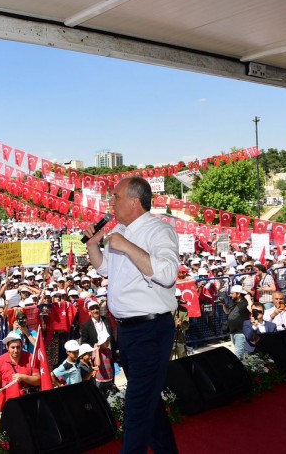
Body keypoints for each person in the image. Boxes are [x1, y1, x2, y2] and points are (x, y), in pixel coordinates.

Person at [86, 177, 179, 454]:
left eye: (116, 197)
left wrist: (126, 245)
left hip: (151, 330)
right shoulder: (120, 230)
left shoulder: (158, 231)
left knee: (136, 407)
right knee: (148, 402)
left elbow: (167, 273)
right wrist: (93, 244)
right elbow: (105, 269)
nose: (111, 203)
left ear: (135, 202)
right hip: (126, 331)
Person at [0, 332, 39, 410]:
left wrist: (23, 377)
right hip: (9, 404)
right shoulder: (0, 360)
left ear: (22, 346)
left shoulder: (30, 357)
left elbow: (38, 380)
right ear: (7, 347)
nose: (16, 350)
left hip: (28, 401)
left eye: (18, 347)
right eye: (13, 347)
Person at [223, 285, 250, 358]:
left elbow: (251, 309)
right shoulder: (232, 302)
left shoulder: (245, 303)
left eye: (232, 293)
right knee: (243, 352)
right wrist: (223, 304)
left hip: (241, 332)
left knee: (237, 353)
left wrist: (249, 299)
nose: (230, 295)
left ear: (238, 294)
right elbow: (227, 312)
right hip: (233, 332)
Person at [171, 288, 190, 359]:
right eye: (176, 297)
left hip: (179, 338)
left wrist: (182, 324)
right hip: (168, 339)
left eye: (179, 297)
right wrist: (174, 324)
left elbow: (187, 326)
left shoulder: (184, 310)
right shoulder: (166, 310)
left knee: (183, 358)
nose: (177, 299)